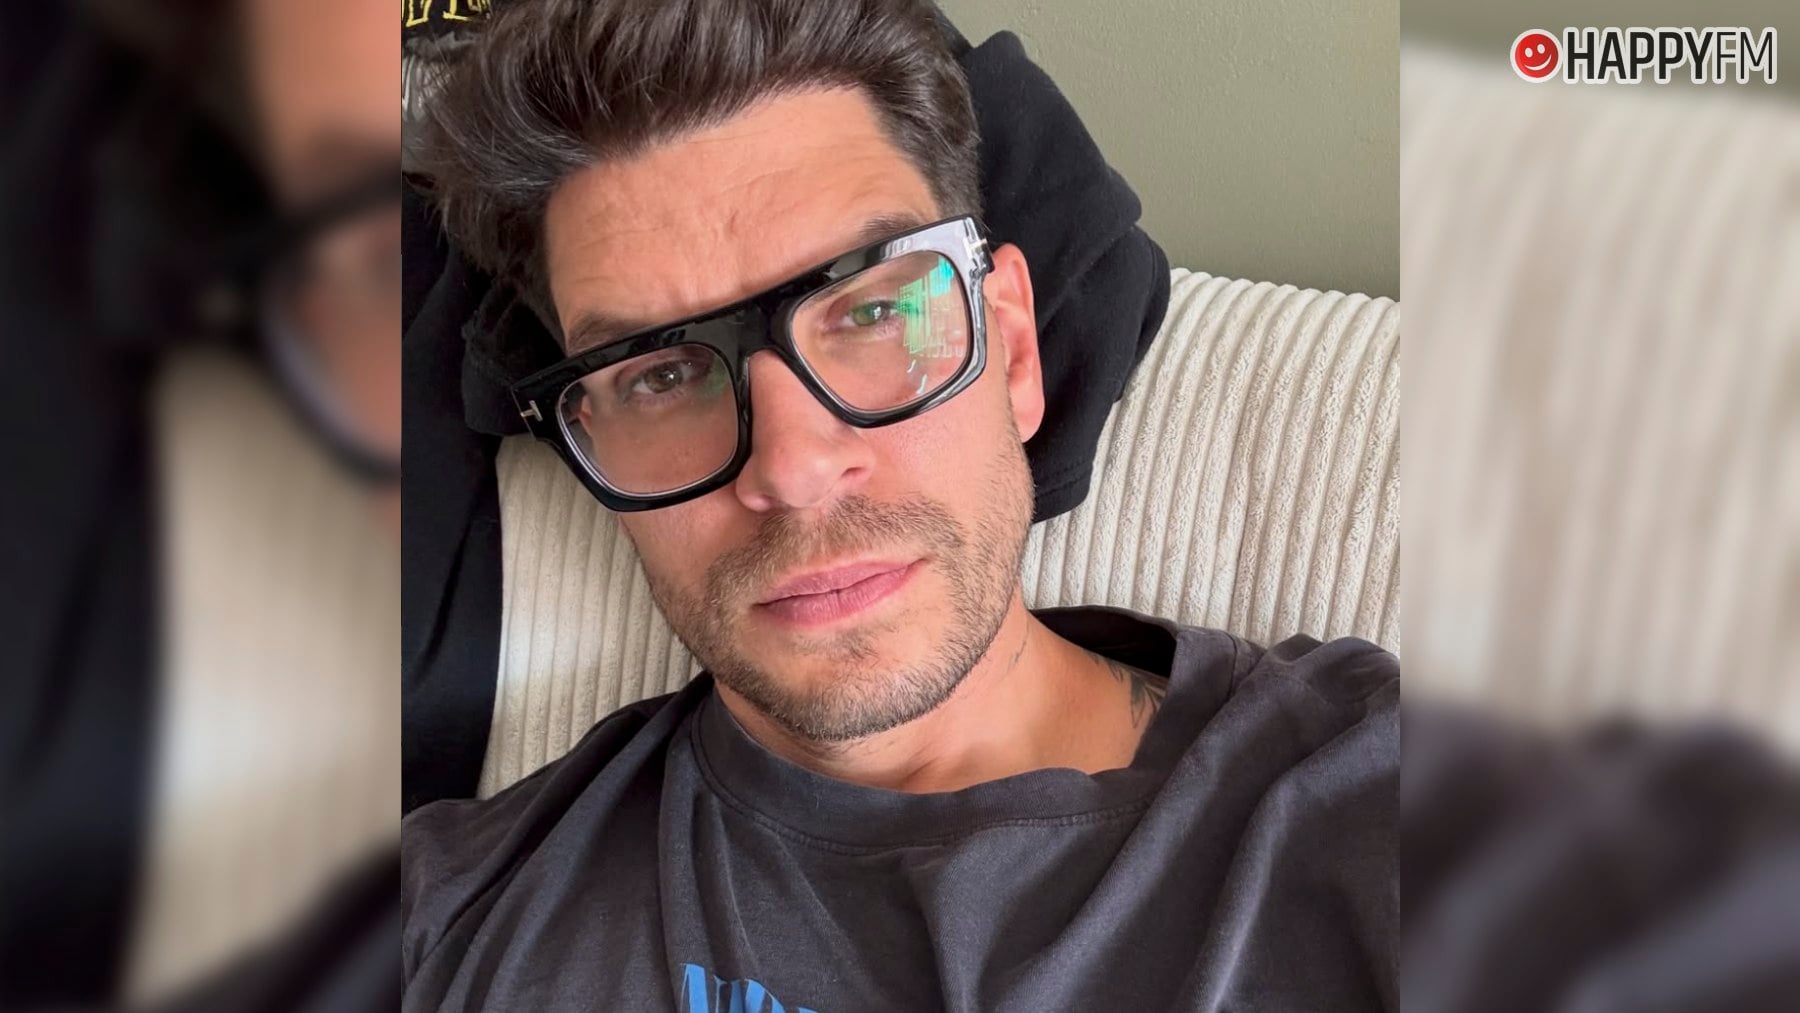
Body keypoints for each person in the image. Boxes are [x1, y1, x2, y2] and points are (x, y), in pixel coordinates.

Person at [401, 1, 1398, 1010]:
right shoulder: (446, 918)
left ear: (1012, 347)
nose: (793, 468)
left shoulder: (1391, 813)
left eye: (873, 310)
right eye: (659, 375)